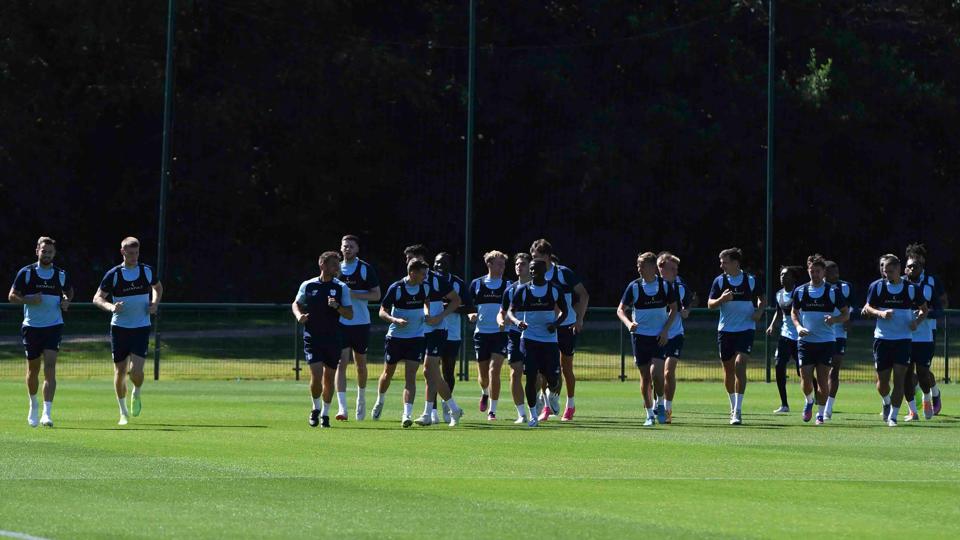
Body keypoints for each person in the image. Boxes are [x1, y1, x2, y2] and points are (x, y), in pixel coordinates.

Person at [371, 258, 464, 427]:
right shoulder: (397, 288)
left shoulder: (427, 285)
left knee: (423, 373)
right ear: (412, 272)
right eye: (422, 273)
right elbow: (382, 311)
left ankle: (411, 414)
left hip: (420, 336)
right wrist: (395, 320)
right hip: (397, 337)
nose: (425, 276)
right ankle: (380, 400)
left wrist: (431, 315)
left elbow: (436, 302)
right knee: (389, 373)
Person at [93, 237, 163, 426]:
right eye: (130, 253)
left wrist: (154, 303)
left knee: (136, 372)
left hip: (141, 328)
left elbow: (157, 287)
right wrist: (111, 307)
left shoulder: (146, 271)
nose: (134, 257)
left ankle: (136, 392)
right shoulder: (114, 274)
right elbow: (97, 298)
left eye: (136, 253)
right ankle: (123, 412)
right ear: (122, 252)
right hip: (119, 329)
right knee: (120, 371)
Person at [8, 237, 74, 427]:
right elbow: (12, 296)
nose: (47, 254)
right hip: (31, 327)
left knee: (50, 368)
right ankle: (33, 404)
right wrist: (28, 299)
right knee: (33, 369)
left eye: (50, 252)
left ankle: (47, 413)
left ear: (54, 254)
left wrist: (66, 301)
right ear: (37, 251)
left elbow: (69, 291)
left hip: (53, 326)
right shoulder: (26, 273)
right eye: (44, 251)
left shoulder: (60, 274)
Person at [862, 254, 927, 427]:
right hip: (882, 340)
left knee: (900, 379)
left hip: (903, 340)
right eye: (885, 271)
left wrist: (917, 322)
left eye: (890, 271)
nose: (887, 274)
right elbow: (868, 307)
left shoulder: (911, 288)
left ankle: (893, 416)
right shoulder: (877, 286)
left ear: (899, 269)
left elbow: (924, 309)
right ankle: (886, 401)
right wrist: (880, 313)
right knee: (882, 383)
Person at [529, 239, 589, 422]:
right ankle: (546, 406)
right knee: (543, 370)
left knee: (566, 367)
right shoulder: (534, 275)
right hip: (545, 329)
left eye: (538, 257)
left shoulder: (563, 273)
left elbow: (584, 295)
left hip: (566, 326)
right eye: (533, 257)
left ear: (547, 256)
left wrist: (579, 319)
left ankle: (570, 405)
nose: (535, 261)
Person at [292, 252, 354, 428]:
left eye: (338, 265)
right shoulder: (308, 285)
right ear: (322, 264)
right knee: (316, 375)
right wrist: (299, 315)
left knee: (329, 378)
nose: (337, 268)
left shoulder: (341, 287)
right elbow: (296, 303)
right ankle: (315, 408)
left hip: (333, 338)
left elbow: (350, 314)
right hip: (312, 337)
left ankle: (325, 413)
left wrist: (337, 306)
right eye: (334, 264)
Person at [617, 252, 678, 426]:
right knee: (645, 377)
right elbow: (620, 310)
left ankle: (660, 403)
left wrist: (665, 331)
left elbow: (674, 309)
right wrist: (629, 323)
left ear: (652, 267)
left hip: (658, 337)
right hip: (639, 338)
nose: (639, 269)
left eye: (642, 266)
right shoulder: (634, 287)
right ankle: (649, 415)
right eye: (638, 265)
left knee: (656, 374)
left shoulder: (665, 286)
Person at [505, 259, 568, 427]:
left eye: (536, 269)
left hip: (549, 340)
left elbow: (565, 312)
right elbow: (510, 311)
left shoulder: (554, 289)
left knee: (552, 377)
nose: (533, 272)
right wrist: (517, 322)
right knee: (531, 377)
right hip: (529, 339)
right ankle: (533, 415)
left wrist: (555, 324)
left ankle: (552, 394)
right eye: (531, 269)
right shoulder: (523, 290)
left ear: (545, 270)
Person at [707, 247, 765, 425]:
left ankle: (738, 410)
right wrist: (721, 300)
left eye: (724, 262)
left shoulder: (750, 280)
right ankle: (732, 407)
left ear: (735, 263)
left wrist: (759, 311)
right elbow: (710, 304)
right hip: (725, 331)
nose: (721, 265)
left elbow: (763, 298)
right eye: (721, 262)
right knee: (728, 370)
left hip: (746, 329)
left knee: (740, 364)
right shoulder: (719, 281)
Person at [790, 255, 849, 425]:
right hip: (805, 342)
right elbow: (794, 312)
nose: (814, 274)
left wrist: (834, 320)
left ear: (824, 272)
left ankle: (820, 414)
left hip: (826, 342)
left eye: (818, 271)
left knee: (823, 380)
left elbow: (845, 313)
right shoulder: (800, 291)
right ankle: (809, 401)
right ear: (808, 271)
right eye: (812, 271)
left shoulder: (832, 291)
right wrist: (798, 327)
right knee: (806, 379)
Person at [334, 235, 381, 421]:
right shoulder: (335, 268)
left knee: (361, 365)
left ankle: (361, 399)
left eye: (351, 246)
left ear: (357, 249)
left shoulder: (365, 269)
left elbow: (376, 295)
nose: (347, 249)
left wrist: (353, 294)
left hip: (361, 323)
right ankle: (342, 408)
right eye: (345, 246)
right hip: (341, 323)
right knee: (341, 363)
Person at [903, 243, 947, 415]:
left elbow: (942, 303)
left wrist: (928, 314)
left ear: (923, 260)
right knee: (905, 370)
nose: (915, 261)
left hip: (928, 330)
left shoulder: (932, 280)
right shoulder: (902, 280)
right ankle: (911, 404)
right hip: (905, 331)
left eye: (918, 257)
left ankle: (934, 394)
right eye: (911, 258)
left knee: (923, 370)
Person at [467, 251, 510, 421]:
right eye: (499, 264)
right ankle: (485, 392)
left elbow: (513, 307)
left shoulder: (508, 285)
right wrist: (471, 314)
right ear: (489, 264)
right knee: (484, 377)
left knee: (494, 371)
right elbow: (468, 305)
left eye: (504, 264)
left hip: (501, 333)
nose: (502, 267)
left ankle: (492, 410)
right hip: (481, 334)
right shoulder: (477, 284)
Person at [655, 252, 696, 424]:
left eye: (676, 269)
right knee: (655, 373)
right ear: (661, 268)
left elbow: (690, 302)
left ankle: (668, 408)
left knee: (668, 371)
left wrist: (687, 310)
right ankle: (657, 402)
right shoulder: (650, 286)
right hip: (654, 335)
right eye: (672, 268)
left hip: (675, 334)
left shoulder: (680, 287)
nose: (675, 272)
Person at [432, 252, 466, 423]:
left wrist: (450, 306)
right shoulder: (428, 281)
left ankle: (447, 405)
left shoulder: (458, 283)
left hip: (452, 333)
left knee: (448, 371)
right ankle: (432, 410)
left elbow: (468, 306)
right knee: (432, 370)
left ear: (449, 265)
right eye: (437, 262)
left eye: (443, 263)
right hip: (433, 331)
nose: (439, 266)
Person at [498, 253, 533, 423]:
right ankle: (521, 413)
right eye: (517, 264)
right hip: (514, 335)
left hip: (534, 336)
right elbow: (502, 312)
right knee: (515, 372)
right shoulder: (510, 290)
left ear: (530, 267)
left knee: (535, 375)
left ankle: (537, 402)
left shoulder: (538, 287)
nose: (519, 266)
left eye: (523, 264)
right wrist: (500, 320)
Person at [903, 256, 936, 421]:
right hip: (904, 337)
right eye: (909, 266)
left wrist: (922, 315)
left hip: (924, 336)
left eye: (915, 267)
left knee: (923, 373)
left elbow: (938, 308)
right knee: (906, 374)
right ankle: (912, 411)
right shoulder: (899, 285)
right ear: (904, 269)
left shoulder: (927, 287)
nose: (911, 269)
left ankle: (927, 398)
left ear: (921, 269)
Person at [766, 266, 800, 413]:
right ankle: (784, 404)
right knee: (779, 367)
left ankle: (817, 395)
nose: (782, 277)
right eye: (781, 275)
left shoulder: (799, 292)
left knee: (802, 372)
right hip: (785, 336)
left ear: (793, 278)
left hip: (800, 337)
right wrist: (772, 325)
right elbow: (778, 312)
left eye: (786, 275)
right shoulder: (779, 294)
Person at [823, 260, 851, 419]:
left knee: (834, 370)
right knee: (820, 370)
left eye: (837, 271)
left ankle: (828, 406)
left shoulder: (846, 287)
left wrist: (848, 320)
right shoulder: (817, 288)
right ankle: (815, 399)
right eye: (832, 272)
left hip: (839, 334)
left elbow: (852, 306)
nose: (836, 275)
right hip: (820, 334)